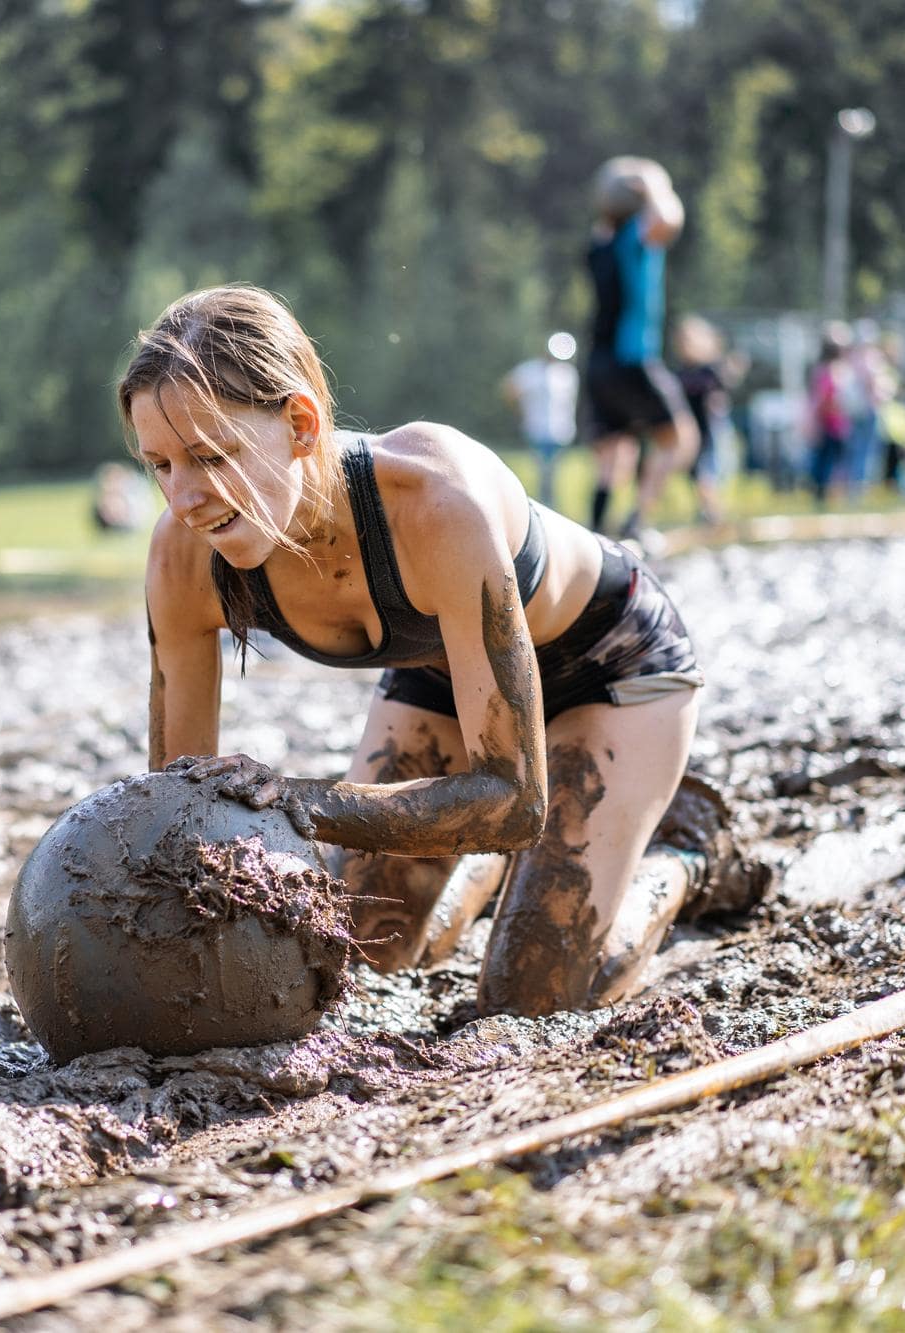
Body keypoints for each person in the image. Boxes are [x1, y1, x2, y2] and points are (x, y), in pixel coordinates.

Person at [127, 285, 770, 1017]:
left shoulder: (434, 500)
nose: (184, 498)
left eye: (213, 455)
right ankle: (494, 872)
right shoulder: (183, 558)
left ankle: (687, 855)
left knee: (532, 994)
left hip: (610, 664)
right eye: (161, 465)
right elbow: (176, 801)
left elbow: (516, 801)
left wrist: (302, 800)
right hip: (449, 675)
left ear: (300, 423)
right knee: (358, 942)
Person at [582, 157, 699, 539]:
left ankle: (598, 529)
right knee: (682, 439)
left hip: (599, 362)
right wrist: (653, 184)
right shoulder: (636, 236)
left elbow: (609, 207)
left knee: (618, 448)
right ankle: (637, 520)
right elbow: (670, 218)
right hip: (632, 358)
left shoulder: (599, 242)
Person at [671, 315, 743, 525]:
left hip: (711, 430)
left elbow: (724, 386)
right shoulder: (682, 372)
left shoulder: (710, 370)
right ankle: (709, 512)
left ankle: (714, 513)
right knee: (696, 474)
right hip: (691, 431)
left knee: (707, 473)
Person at [501, 332, 581, 510]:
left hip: (561, 431)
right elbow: (510, 389)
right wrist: (521, 412)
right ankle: (543, 505)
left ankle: (548, 505)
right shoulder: (530, 370)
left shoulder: (568, 373)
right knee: (544, 471)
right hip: (537, 429)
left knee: (553, 473)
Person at [807, 324, 856, 507]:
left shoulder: (824, 369)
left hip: (834, 423)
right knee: (828, 462)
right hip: (831, 424)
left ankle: (830, 496)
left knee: (830, 461)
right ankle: (824, 496)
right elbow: (827, 399)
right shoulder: (830, 370)